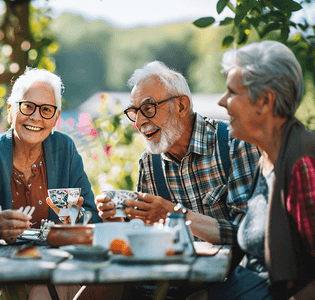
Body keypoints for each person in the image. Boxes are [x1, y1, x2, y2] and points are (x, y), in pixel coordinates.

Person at [80, 61, 261, 299]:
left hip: (227, 281)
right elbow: (143, 239)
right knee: (95, 290)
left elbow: (246, 236)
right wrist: (122, 219)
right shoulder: (149, 161)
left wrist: (173, 214)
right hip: (170, 278)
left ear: (182, 105)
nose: (138, 122)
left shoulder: (234, 145)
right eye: (134, 113)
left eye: (148, 108)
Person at [201, 41, 315, 300]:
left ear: (264, 101)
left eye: (231, 92)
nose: (221, 101)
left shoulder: (303, 165)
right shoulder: (266, 158)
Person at [0, 67, 101, 244]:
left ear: (56, 118)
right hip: (2, 264)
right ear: (10, 110)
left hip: (58, 262)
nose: (35, 117)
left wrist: (74, 218)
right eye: (27, 106)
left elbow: (92, 216)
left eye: (46, 110)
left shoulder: (65, 149)